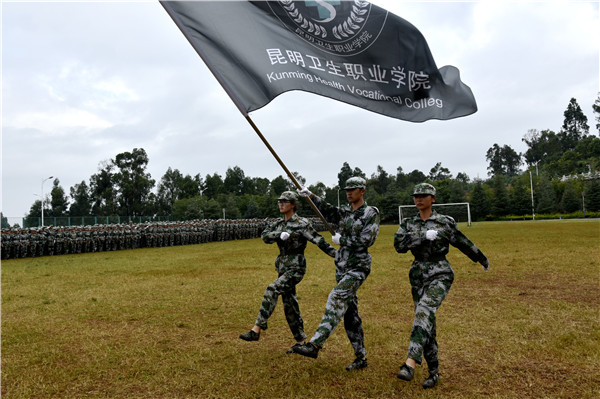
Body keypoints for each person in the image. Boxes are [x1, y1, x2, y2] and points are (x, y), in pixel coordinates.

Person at [394, 183, 489, 389]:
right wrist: (420, 237)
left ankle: (411, 361)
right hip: (418, 274)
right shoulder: (408, 223)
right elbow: (398, 246)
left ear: (433, 198)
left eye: (424, 196)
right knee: (427, 322)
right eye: (416, 196)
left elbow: (462, 242)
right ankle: (434, 372)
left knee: (424, 310)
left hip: (440, 273)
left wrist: (481, 258)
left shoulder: (444, 222)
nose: (419, 199)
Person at [293, 177, 380, 371]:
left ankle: (315, 345)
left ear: (362, 191)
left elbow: (368, 240)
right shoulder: (345, 212)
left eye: (353, 189)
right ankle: (361, 357)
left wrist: (344, 240)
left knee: (336, 296)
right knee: (350, 314)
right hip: (342, 266)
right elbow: (329, 210)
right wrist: (311, 196)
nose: (349, 192)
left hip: (358, 267)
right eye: (347, 189)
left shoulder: (370, 213)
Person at [239, 191, 337, 353]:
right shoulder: (279, 224)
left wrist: (337, 255)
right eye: (280, 201)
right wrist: (278, 235)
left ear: (293, 204)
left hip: (296, 267)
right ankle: (300, 341)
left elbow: (318, 240)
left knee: (272, 289)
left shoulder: (301, 224)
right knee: (289, 304)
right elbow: (264, 236)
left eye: (285, 201)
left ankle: (256, 329)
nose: (281, 204)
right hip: (282, 267)